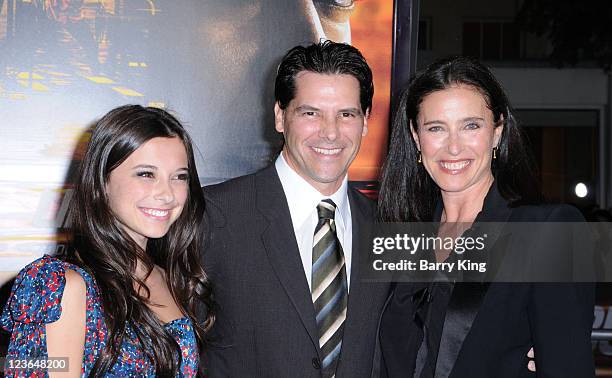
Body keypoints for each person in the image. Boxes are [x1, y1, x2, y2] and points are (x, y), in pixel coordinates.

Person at [376, 56, 595, 377]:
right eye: (436, 128)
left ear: (497, 131)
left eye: (471, 126)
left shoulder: (547, 230)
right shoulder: (403, 235)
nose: (453, 147)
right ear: (415, 135)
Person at [201, 41, 390, 377]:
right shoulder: (213, 216)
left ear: (365, 121)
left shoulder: (386, 230)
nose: (330, 133)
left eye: (346, 114)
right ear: (280, 116)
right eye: (310, 113)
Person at [1, 105, 214, 376]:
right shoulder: (61, 285)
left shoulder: (170, 277)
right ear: (102, 181)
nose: (167, 194)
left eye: (179, 177)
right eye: (146, 174)